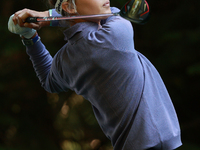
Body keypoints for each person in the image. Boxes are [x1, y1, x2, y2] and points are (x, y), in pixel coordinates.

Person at [8, 0, 182, 149]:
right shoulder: (114, 35)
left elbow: (48, 80)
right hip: (155, 144)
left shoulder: (65, 59)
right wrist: (45, 17)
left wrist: (30, 37)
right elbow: (114, 12)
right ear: (69, 7)